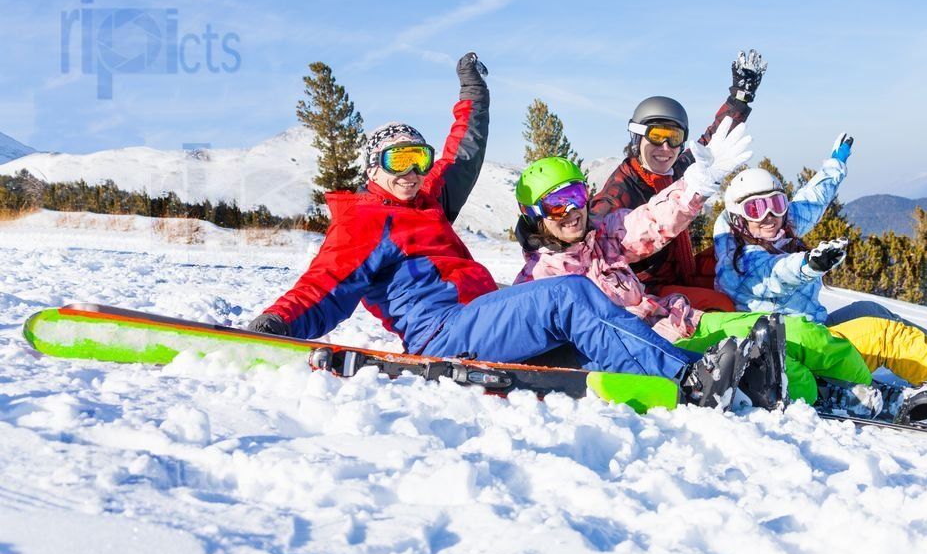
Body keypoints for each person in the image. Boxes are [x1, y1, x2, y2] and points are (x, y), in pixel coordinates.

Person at [246, 53, 750, 405]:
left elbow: (461, 152)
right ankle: (689, 379)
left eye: (417, 158)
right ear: (371, 168)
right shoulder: (363, 220)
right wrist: (275, 326)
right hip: (445, 332)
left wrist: (473, 93)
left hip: (482, 315)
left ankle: (707, 369)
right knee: (568, 294)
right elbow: (324, 284)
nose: (412, 171)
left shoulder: (424, 202)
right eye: (397, 159)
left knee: (592, 337)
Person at [512, 123, 874, 410]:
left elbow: (654, 221)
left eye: (575, 196)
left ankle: (869, 389)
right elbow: (534, 342)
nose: (571, 211)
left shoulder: (604, 235)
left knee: (801, 334)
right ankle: (829, 399)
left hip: (683, 319)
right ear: (534, 215)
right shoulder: (539, 280)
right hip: (660, 346)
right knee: (786, 370)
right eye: (556, 205)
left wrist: (697, 185)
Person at [712, 162, 927, 421]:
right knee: (884, 335)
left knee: (871, 311)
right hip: (794, 349)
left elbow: (812, 200)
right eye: (757, 209)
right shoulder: (743, 263)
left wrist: (836, 163)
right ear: (740, 218)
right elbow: (776, 275)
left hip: (810, 331)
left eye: (776, 203)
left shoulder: (774, 231)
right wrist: (810, 265)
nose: (770, 215)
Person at [591, 50, 769, 312]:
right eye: (656, 135)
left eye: (673, 137)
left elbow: (712, 141)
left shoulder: (676, 170)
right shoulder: (621, 188)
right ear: (637, 138)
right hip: (650, 291)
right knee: (722, 303)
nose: (665, 147)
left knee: (734, 260)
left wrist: (739, 99)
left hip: (682, 272)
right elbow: (594, 235)